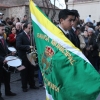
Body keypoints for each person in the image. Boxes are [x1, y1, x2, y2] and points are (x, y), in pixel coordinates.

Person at [16, 23, 39, 92]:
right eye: (29, 28)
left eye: (30, 28)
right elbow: (18, 46)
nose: (30, 29)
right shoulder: (20, 35)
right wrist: (28, 47)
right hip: (24, 56)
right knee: (24, 72)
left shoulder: (30, 35)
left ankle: (32, 84)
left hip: (31, 56)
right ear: (25, 28)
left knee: (31, 71)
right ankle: (24, 86)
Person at [0, 23, 16, 99]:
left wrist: (10, 52)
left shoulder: (2, 38)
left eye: (4, 29)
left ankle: (8, 91)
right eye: (2, 29)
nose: (4, 31)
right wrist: (3, 59)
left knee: (7, 77)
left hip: (6, 61)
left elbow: (5, 48)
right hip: (1, 62)